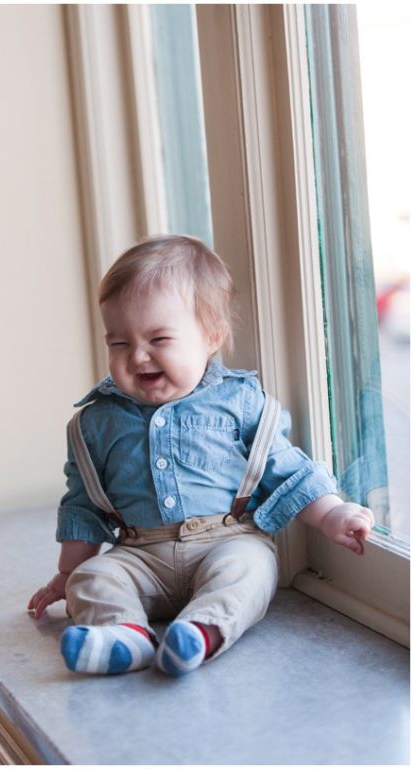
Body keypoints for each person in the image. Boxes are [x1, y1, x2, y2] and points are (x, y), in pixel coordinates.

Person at [27, 235, 374, 677]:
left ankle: (200, 634)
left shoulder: (240, 403)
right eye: (118, 343)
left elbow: (286, 470)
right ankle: (126, 635)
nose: (137, 356)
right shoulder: (96, 422)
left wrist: (331, 514)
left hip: (227, 541)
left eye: (158, 338)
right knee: (92, 580)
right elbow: (83, 506)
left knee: (250, 571)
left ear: (210, 336)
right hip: (139, 554)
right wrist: (65, 577)